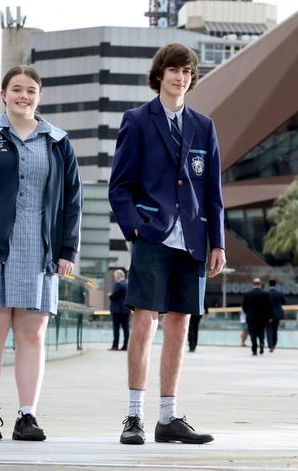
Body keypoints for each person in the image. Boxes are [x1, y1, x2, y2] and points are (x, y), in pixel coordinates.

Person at [0, 65, 82, 441]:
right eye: (17, 89)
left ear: (40, 96)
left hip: (38, 250)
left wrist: (66, 249)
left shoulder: (58, 142)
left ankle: (28, 416)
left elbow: (72, 200)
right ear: (3, 94)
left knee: (33, 334)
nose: (24, 96)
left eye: (31, 90)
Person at [109, 43, 225, 446]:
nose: (181, 77)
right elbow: (119, 186)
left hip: (193, 240)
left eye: (187, 72)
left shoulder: (204, 126)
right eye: (174, 70)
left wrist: (218, 242)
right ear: (160, 74)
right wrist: (136, 228)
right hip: (153, 236)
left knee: (179, 326)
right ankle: (134, 417)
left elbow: (213, 192)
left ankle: (168, 417)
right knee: (145, 322)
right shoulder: (137, 120)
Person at [241, 278, 273, 356]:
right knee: (261, 332)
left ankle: (254, 349)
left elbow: (244, 307)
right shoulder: (265, 294)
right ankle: (261, 343)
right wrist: (269, 317)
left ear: (253, 284)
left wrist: (248, 313)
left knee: (253, 333)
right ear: (260, 284)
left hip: (251, 317)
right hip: (262, 318)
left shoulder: (248, 294)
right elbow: (269, 307)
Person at [109, 269, 130, 351]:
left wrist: (110, 295)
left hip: (117, 310)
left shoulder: (119, 284)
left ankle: (115, 346)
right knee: (126, 329)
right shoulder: (128, 284)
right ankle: (126, 345)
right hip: (126, 310)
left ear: (118, 276)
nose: (114, 278)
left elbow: (113, 296)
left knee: (116, 328)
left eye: (115, 276)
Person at [266, 279, 286, 352]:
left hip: (267, 314)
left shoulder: (266, 293)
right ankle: (273, 345)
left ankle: (270, 345)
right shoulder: (279, 293)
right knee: (275, 330)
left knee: (269, 330)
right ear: (275, 285)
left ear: (269, 284)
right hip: (277, 314)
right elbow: (284, 302)